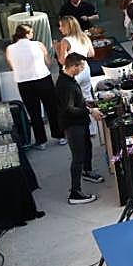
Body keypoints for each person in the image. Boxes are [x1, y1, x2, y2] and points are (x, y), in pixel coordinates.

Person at [56, 52, 104, 205]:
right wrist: (90, 111)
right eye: (82, 66)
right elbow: (69, 109)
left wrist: (90, 104)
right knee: (77, 157)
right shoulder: (65, 85)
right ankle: (75, 192)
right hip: (73, 125)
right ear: (74, 66)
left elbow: (77, 102)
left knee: (87, 147)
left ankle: (87, 171)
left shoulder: (70, 80)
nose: (83, 69)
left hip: (80, 122)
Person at [5, 24, 60, 149]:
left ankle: (41, 141)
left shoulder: (10, 48)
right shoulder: (38, 45)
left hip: (24, 82)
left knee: (34, 112)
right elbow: (48, 62)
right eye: (32, 32)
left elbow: (12, 66)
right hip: (43, 78)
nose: (33, 34)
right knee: (52, 108)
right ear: (27, 34)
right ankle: (60, 135)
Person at [57, 15, 94, 100]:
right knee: (87, 95)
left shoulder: (65, 41)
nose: (60, 28)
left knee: (73, 99)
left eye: (62, 26)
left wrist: (57, 49)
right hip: (85, 68)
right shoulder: (84, 37)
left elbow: (63, 61)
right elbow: (91, 54)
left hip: (72, 72)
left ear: (68, 27)